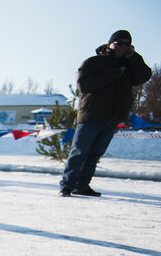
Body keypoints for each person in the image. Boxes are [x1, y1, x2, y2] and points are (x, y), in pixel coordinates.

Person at [59, 29, 152, 197]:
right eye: (119, 43)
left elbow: (144, 76)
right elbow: (84, 86)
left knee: (95, 154)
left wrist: (134, 57)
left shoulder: (130, 65)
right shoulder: (93, 62)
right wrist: (114, 74)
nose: (122, 47)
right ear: (110, 44)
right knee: (80, 151)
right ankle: (67, 185)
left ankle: (82, 185)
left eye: (127, 44)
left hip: (113, 117)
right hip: (91, 115)